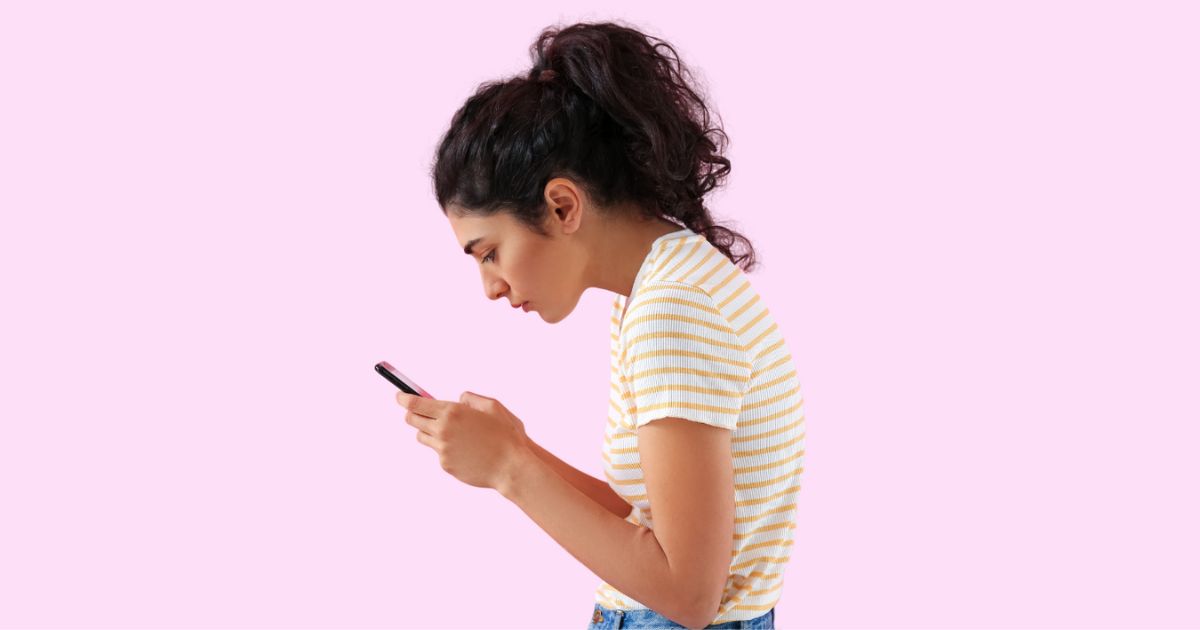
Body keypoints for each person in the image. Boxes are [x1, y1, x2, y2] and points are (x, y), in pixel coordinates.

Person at [418, 19, 804, 630]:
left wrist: (508, 471)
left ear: (562, 205)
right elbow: (645, 518)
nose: (490, 286)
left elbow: (689, 595)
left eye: (489, 251)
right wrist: (516, 449)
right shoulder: (667, 276)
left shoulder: (671, 310)